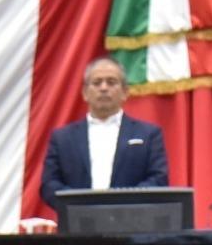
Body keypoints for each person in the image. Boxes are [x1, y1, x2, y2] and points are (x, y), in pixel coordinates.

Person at [39, 56, 169, 211]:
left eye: (111, 82)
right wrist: (80, 206)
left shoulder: (148, 134)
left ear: (125, 92)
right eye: (97, 82)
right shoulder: (62, 138)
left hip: (132, 227)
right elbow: (49, 184)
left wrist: (120, 205)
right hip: (76, 228)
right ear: (85, 93)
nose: (103, 88)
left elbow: (158, 180)